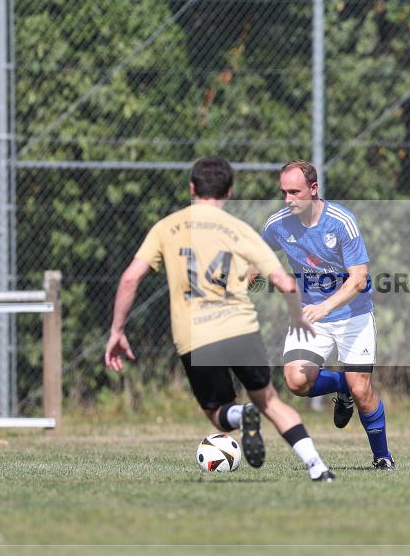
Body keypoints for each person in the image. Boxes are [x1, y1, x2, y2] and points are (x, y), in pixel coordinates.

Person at [104, 157, 335, 482]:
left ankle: (242, 414)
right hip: (241, 328)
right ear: (228, 191)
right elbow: (286, 283)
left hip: (196, 336)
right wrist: (298, 317)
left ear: (192, 188)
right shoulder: (239, 230)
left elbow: (130, 279)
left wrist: (116, 331)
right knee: (269, 400)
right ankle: (318, 468)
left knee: (218, 413)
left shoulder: (166, 227)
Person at [261, 160, 394, 470]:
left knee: (362, 391)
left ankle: (382, 457)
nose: (288, 199)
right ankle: (341, 385)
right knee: (296, 381)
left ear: (313, 189)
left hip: (353, 315)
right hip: (309, 317)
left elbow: (359, 278)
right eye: (283, 192)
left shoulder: (341, 221)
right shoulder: (277, 224)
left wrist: (324, 307)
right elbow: (258, 256)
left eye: (294, 192)